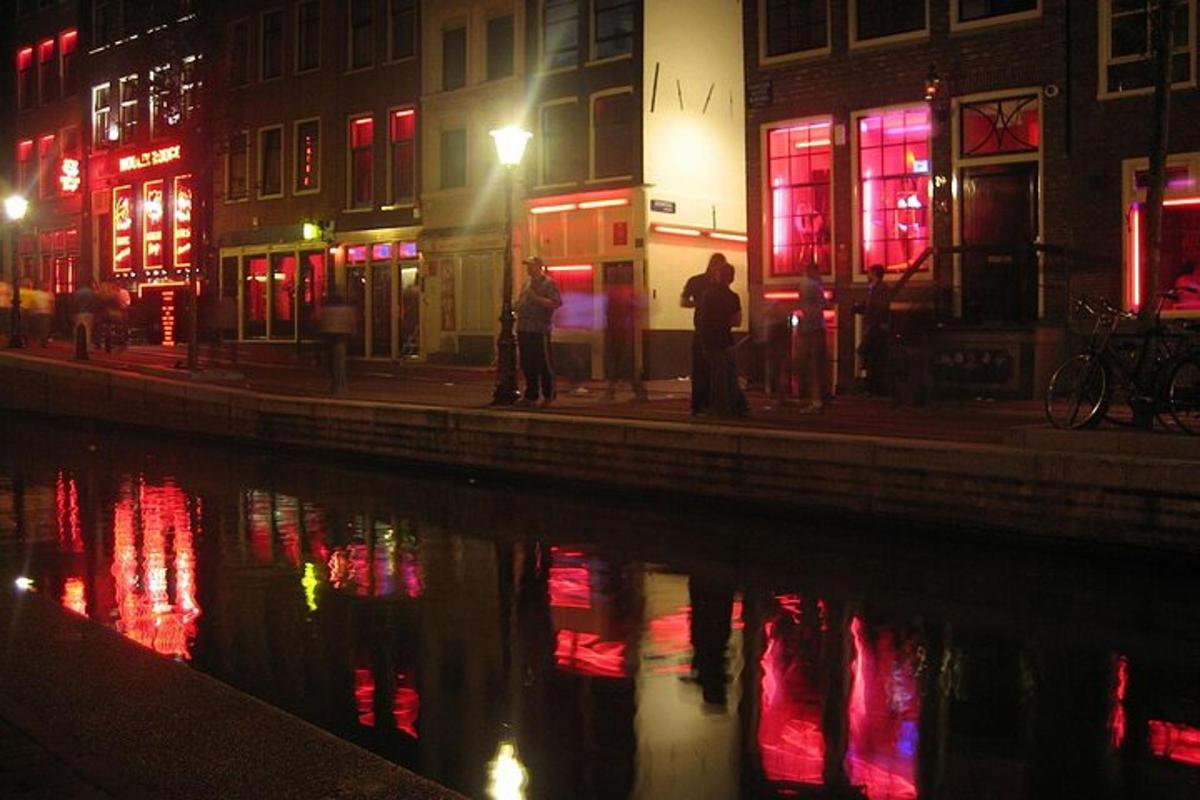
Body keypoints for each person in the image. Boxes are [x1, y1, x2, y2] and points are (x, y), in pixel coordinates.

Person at [698, 260, 747, 418]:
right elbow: (737, 321)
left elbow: (703, 321)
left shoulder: (708, 296)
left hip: (711, 339)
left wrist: (703, 341)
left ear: (718, 276)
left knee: (716, 376)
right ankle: (736, 406)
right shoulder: (733, 297)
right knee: (730, 375)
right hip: (726, 338)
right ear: (731, 278)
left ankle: (719, 408)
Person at [681, 254, 725, 415]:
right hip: (712, 330)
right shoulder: (717, 286)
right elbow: (684, 301)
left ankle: (699, 404)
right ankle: (707, 403)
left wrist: (698, 304)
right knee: (710, 368)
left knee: (701, 369)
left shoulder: (697, 281)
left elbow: (684, 301)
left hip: (701, 328)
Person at [516, 256, 562, 406]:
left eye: (531, 266)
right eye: (527, 266)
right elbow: (521, 301)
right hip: (524, 328)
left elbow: (555, 303)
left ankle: (549, 394)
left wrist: (536, 298)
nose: (528, 269)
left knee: (543, 363)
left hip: (539, 329)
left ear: (539, 267)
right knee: (528, 363)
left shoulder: (548, 284)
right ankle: (531, 395)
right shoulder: (527, 283)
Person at [603, 277, 648, 401]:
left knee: (620, 362)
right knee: (625, 363)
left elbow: (609, 313)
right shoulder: (628, 293)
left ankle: (612, 391)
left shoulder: (617, 294)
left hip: (619, 333)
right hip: (624, 333)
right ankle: (637, 391)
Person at [853, 264, 892, 396]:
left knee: (867, 353)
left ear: (874, 273)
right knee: (871, 355)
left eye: (869, 272)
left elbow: (879, 307)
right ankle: (871, 385)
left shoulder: (880, 289)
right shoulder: (874, 288)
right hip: (874, 326)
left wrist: (874, 321)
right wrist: (859, 308)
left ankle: (870, 385)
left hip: (875, 327)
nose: (867, 274)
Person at [797, 261, 829, 413]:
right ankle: (820, 398)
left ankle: (815, 400)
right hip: (817, 326)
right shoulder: (815, 285)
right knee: (818, 363)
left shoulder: (804, 284)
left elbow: (804, 304)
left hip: (809, 326)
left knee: (811, 363)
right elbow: (825, 303)